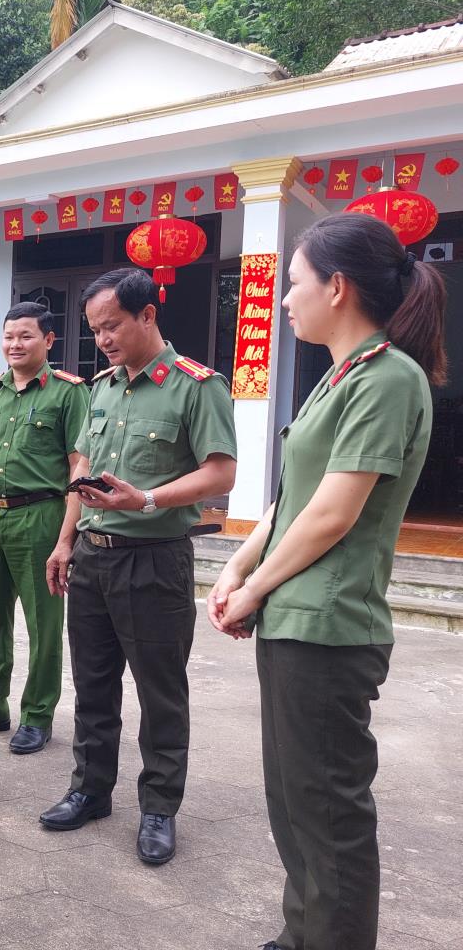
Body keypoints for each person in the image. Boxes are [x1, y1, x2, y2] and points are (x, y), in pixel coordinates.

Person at [208, 212, 444, 950]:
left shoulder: (389, 378)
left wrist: (253, 589)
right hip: (293, 616)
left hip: (330, 625)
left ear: (337, 288)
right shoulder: (337, 377)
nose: (284, 299)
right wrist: (238, 565)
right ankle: (300, 935)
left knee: (330, 814)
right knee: (294, 801)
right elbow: (293, 500)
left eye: (295, 283)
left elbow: (334, 514)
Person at [41, 267, 236, 866]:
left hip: (155, 561)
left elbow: (220, 473)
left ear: (147, 315)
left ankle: (158, 807)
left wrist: (147, 499)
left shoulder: (197, 386)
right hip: (92, 560)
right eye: (95, 329)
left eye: (112, 325)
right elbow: (82, 468)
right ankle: (90, 790)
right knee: (93, 685)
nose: (102, 339)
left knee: (160, 692)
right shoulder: (101, 387)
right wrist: (65, 542)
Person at [0, 303, 88, 754]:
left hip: (40, 515)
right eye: (9, 336)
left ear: (48, 340)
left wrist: (66, 538)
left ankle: (38, 715)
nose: (15, 344)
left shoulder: (68, 393)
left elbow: (79, 467)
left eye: (25, 336)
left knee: (43, 622)